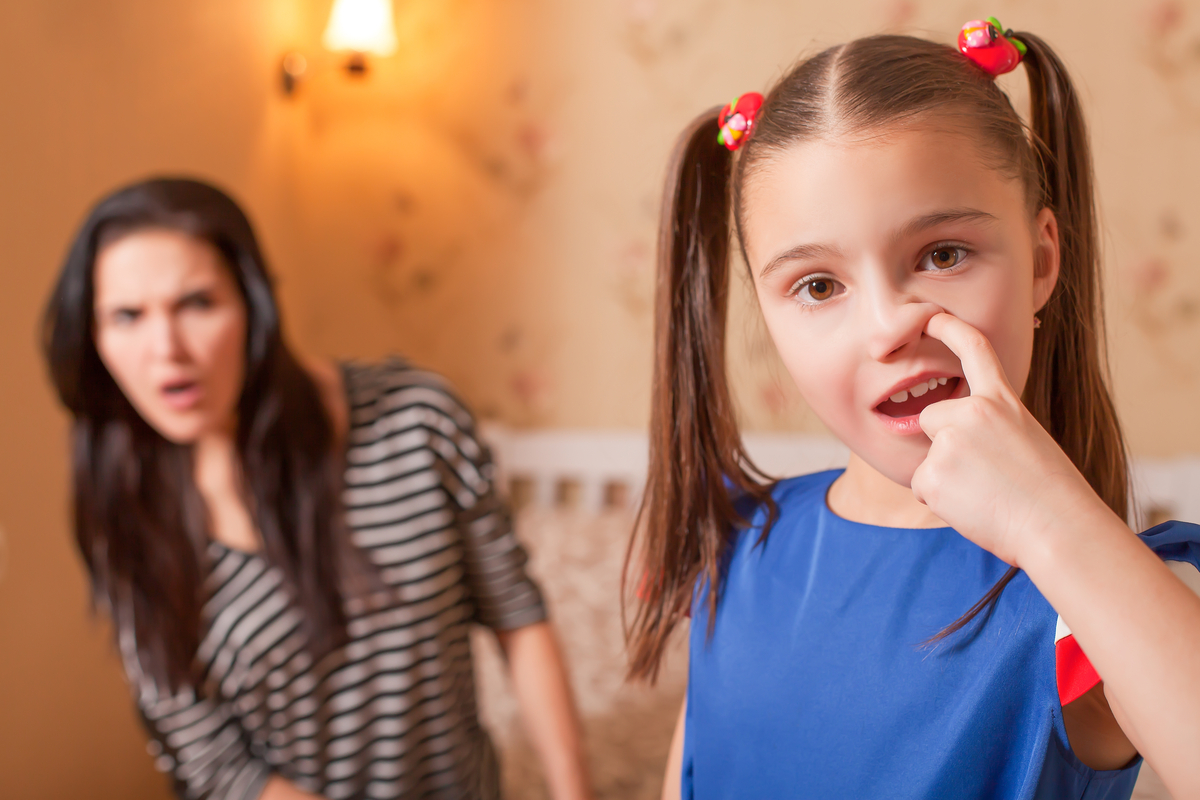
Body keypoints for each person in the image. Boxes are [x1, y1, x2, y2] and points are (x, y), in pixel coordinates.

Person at [623, 22, 1200, 800]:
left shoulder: (1091, 600)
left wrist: (1049, 517)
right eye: (819, 286)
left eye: (942, 255)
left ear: (1041, 261)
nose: (889, 326)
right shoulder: (740, 551)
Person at [42, 178, 593, 800]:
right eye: (127, 317)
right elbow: (217, 764)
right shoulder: (127, 513)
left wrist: (575, 793)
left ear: (254, 305)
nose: (165, 350)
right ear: (94, 340)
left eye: (196, 303)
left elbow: (518, 617)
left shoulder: (416, 420)